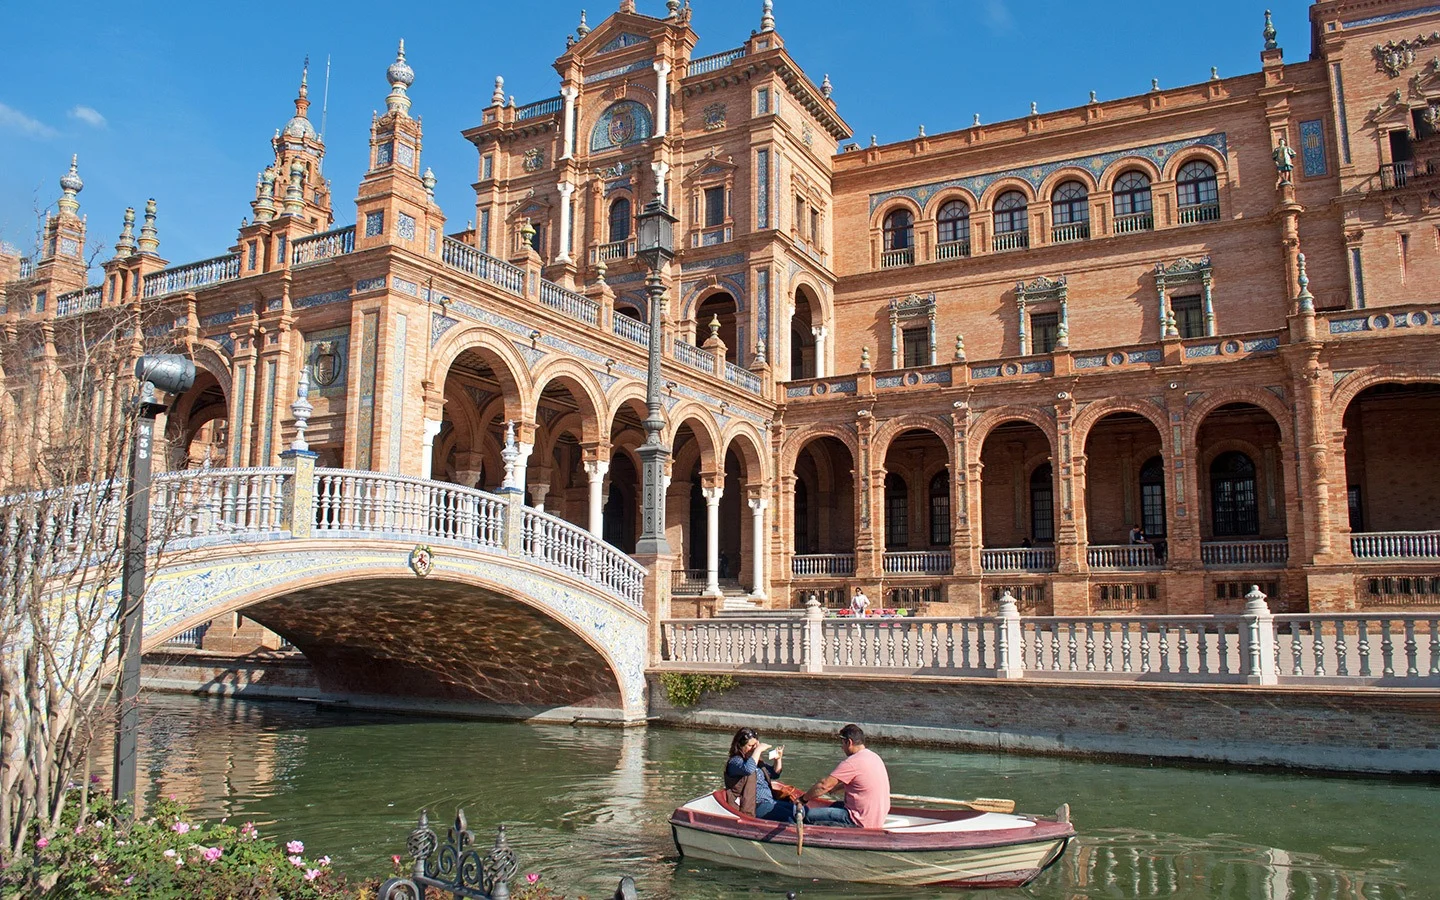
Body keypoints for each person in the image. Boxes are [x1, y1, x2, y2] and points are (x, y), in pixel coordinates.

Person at [800, 723, 891, 829]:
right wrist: (836, 788)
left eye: (842, 743)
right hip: (876, 818)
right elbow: (859, 781)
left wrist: (803, 799)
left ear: (849, 742)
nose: (842, 747)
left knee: (808, 816)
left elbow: (824, 785)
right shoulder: (874, 757)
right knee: (833, 806)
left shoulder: (852, 762)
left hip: (859, 820)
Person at [723, 727, 800, 823]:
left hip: (769, 801)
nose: (754, 748)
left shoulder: (757, 761)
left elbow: (775, 774)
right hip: (755, 805)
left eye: (756, 745)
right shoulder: (735, 761)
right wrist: (758, 750)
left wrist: (778, 759)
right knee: (790, 817)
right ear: (740, 746)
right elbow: (749, 769)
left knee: (798, 810)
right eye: (751, 745)